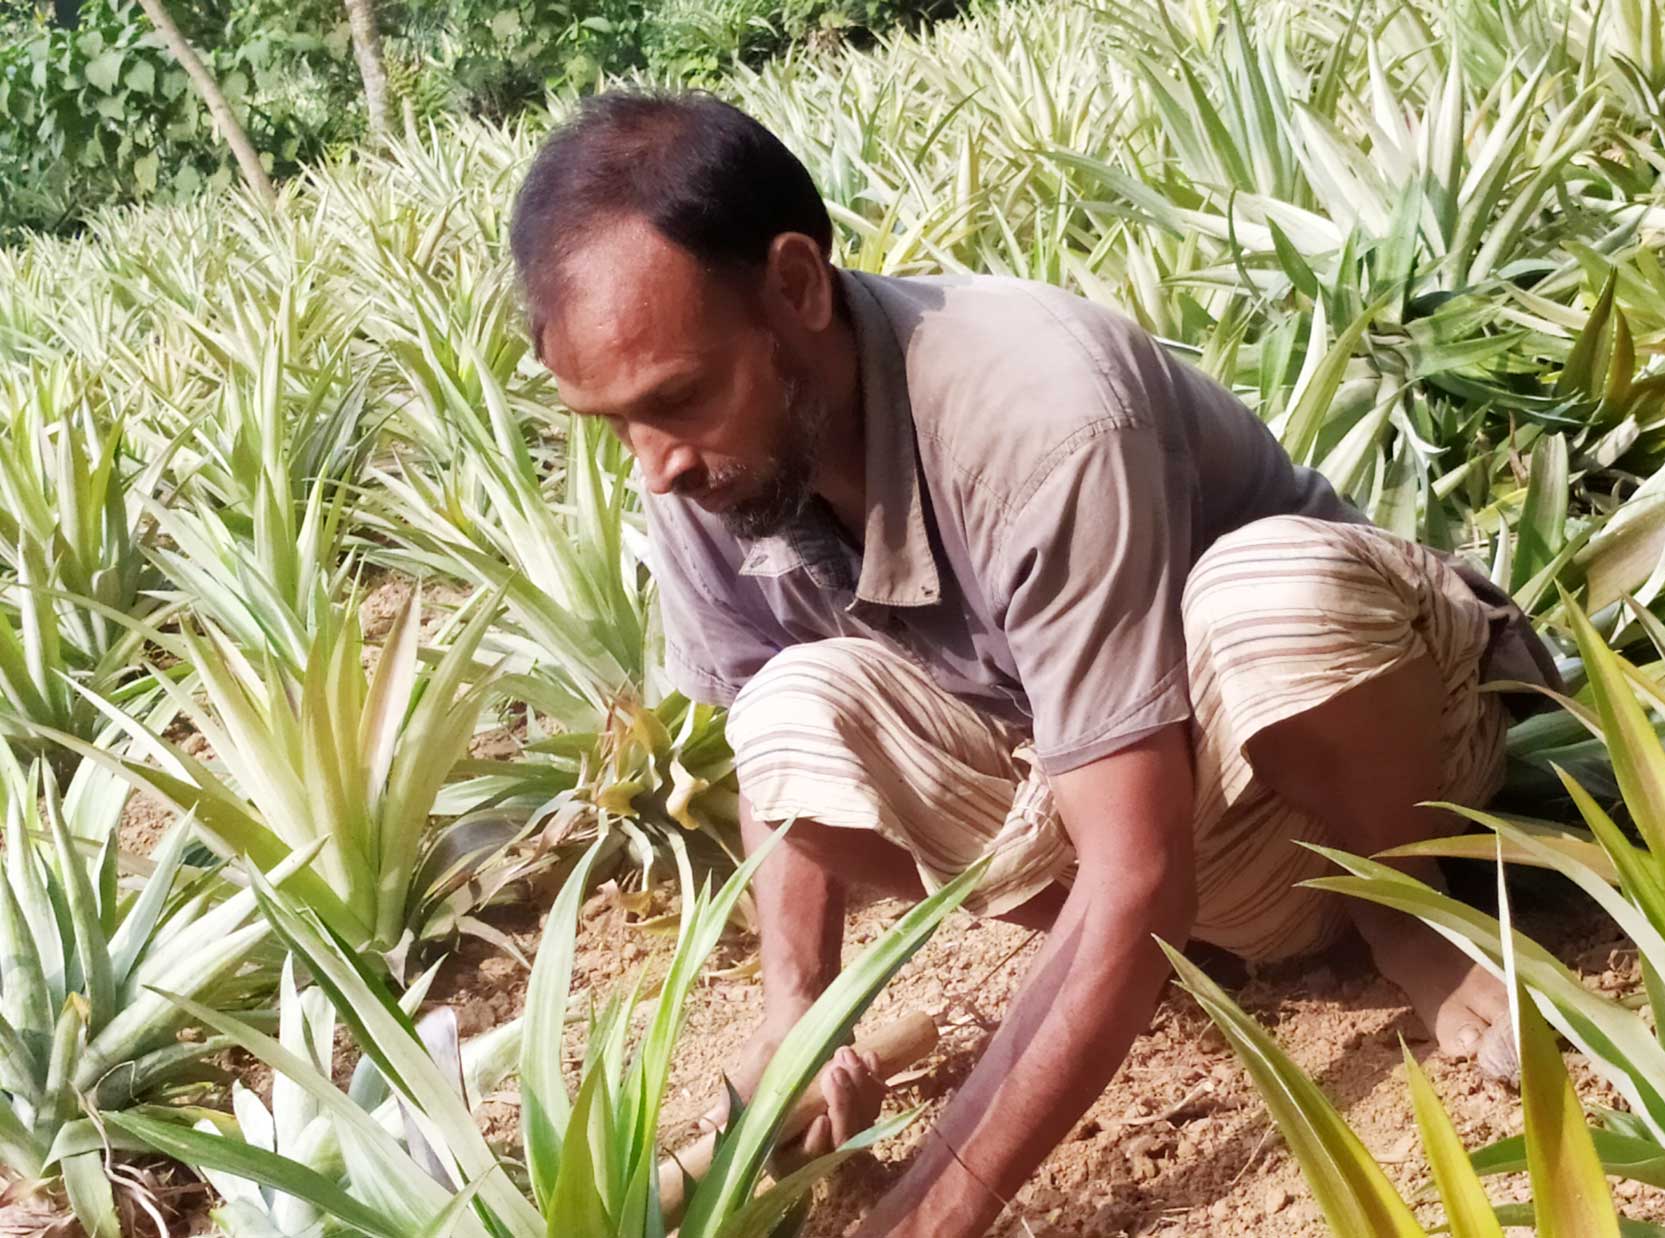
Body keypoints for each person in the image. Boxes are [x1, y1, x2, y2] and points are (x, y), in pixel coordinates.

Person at [510, 89, 1561, 1237]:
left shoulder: (1037, 412)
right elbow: (782, 769)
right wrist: (798, 1016)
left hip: (1355, 757)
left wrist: (926, 1213)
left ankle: (1404, 912)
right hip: (1154, 828)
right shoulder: (706, 460)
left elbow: (1139, 867)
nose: (653, 463)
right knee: (783, 709)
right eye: (611, 422)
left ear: (798, 286)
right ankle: (1158, 966)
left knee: (1270, 604)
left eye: (674, 399)